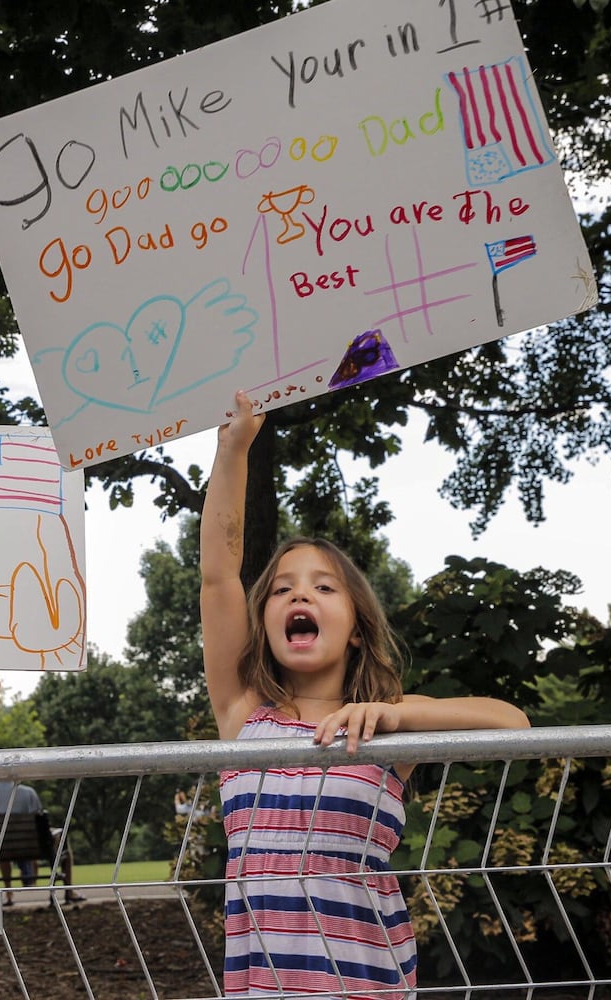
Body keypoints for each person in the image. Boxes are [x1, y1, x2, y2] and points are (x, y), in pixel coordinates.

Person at [200, 390, 531, 998]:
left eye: (323, 587)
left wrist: (394, 713)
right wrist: (233, 448)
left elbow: (512, 723)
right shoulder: (243, 715)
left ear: (356, 629)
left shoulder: (386, 730)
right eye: (281, 590)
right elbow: (220, 575)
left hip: (367, 982)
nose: (299, 596)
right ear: (266, 622)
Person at [0, 780, 86, 906]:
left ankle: (9, 894)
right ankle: (69, 891)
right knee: (62, 837)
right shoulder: (28, 792)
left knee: (1, 843)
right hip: (29, 846)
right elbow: (39, 819)